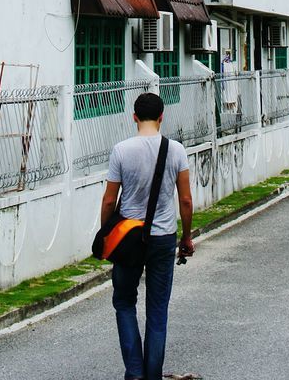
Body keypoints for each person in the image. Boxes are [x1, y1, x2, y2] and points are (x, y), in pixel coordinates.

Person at [101, 91, 195, 380]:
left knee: (124, 302)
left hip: (128, 237)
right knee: (157, 310)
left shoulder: (121, 150)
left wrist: (107, 236)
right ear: (162, 117)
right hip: (164, 237)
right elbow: (186, 200)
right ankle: (152, 376)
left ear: (134, 117)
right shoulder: (176, 150)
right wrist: (186, 238)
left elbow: (108, 200)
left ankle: (135, 371)